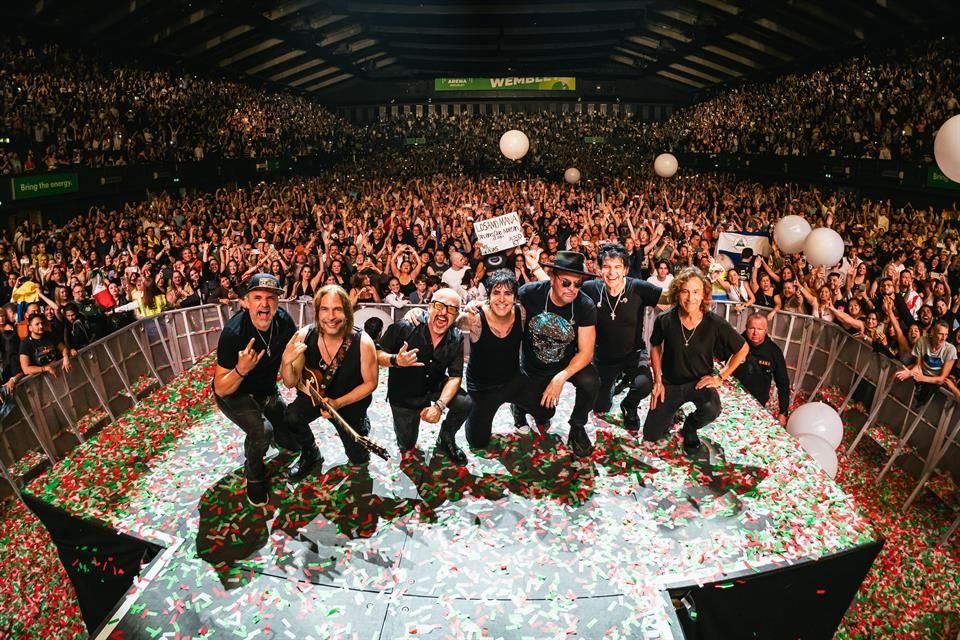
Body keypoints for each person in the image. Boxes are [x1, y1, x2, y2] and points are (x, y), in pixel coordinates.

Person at [212, 273, 309, 507]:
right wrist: (241, 369)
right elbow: (220, 387)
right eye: (257, 297)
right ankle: (253, 475)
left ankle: (274, 435)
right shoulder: (234, 333)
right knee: (261, 430)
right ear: (246, 302)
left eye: (270, 298)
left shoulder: (285, 323)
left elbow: (291, 372)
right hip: (235, 393)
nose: (264, 304)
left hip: (267, 391)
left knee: (292, 443)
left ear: (277, 302)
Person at [644, 267, 750, 455]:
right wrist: (658, 380)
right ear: (677, 293)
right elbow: (655, 346)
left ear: (703, 295)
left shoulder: (715, 323)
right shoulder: (665, 320)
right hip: (671, 382)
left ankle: (690, 426)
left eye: (696, 292)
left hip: (699, 383)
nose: (690, 297)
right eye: (685, 291)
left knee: (712, 408)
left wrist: (720, 377)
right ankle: (672, 412)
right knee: (651, 435)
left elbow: (743, 349)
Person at [282, 285, 378, 472]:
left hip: (348, 403)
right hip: (315, 395)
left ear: (347, 312)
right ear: (317, 312)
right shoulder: (303, 336)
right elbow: (289, 382)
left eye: (337, 309)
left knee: (359, 458)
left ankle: (361, 424)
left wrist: (338, 403)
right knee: (292, 417)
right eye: (325, 309)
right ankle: (310, 453)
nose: (331, 317)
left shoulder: (363, 342)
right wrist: (286, 362)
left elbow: (370, 383)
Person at [514, 251, 599, 458]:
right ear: (551, 277)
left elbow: (586, 352)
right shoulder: (529, 293)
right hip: (532, 366)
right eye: (566, 283)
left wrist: (561, 377)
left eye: (578, 284)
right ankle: (519, 407)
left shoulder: (585, 305)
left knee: (591, 381)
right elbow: (500, 304)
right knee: (544, 414)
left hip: (563, 364)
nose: (572, 289)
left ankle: (577, 427)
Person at [376, 287, 471, 465]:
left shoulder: (456, 337)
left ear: (457, 314)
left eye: (451, 309)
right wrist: (396, 360)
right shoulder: (404, 327)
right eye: (439, 305)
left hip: (434, 386)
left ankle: (446, 437)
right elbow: (375, 354)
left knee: (465, 403)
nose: (443, 312)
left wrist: (440, 406)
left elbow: (455, 376)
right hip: (404, 395)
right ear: (429, 307)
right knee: (407, 444)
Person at [581, 243, 663, 431]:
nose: (612, 272)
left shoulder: (638, 287)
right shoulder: (591, 288)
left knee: (644, 384)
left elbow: (669, 300)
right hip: (603, 357)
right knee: (600, 406)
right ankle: (611, 385)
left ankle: (629, 405)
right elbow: (564, 290)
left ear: (625, 269)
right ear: (599, 269)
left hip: (633, 354)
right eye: (607, 267)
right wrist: (536, 268)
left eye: (617, 267)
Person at [461, 269, 525, 449]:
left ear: (515, 297)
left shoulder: (522, 313)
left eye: (508, 293)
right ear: (488, 296)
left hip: (513, 380)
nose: (502, 299)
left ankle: (518, 408)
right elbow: (448, 321)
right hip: (483, 387)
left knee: (546, 410)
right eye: (496, 293)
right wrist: (418, 315)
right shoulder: (474, 317)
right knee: (477, 441)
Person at [732, 313, 791, 426]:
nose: (755, 332)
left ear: (765, 330)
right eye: (752, 328)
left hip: (756, 403)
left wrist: (783, 412)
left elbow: (783, 383)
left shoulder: (774, 352)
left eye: (759, 329)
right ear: (746, 327)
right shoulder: (735, 343)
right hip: (732, 398)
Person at [895, 320, 956, 407]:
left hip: (934, 384)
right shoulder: (922, 341)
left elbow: (942, 379)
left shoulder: (950, 350)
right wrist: (910, 372)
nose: (943, 338)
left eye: (946, 335)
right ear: (933, 333)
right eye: (940, 334)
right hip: (921, 377)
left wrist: (922, 378)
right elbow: (918, 365)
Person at [19, 312, 72, 377]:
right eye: (37, 324)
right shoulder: (25, 344)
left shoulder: (49, 335)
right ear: (30, 328)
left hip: (59, 373)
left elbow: (64, 348)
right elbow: (26, 369)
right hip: (42, 379)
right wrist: (44, 369)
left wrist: (66, 357)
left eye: (42, 323)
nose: (41, 326)